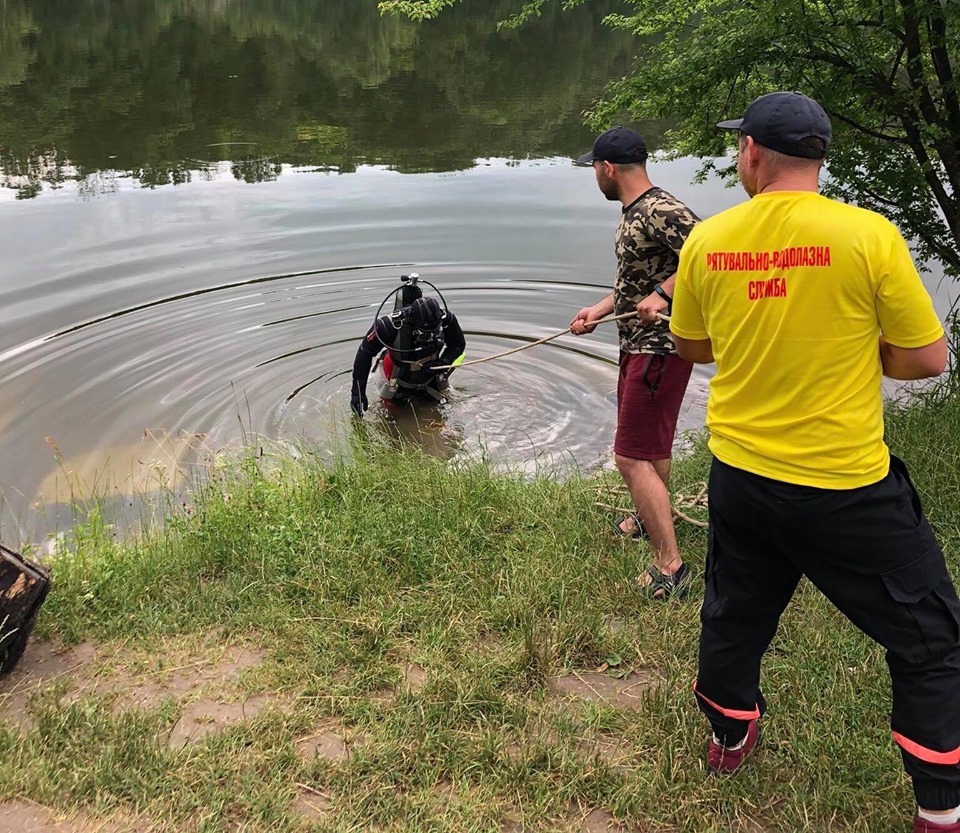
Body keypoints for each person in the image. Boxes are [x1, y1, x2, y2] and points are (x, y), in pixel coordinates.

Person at [669, 91, 958, 831]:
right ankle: (939, 808)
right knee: (931, 637)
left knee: (734, 611)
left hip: (740, 475)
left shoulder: (710, 239)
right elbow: (928, 358)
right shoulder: (868, 235)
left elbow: (691, 345)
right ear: (820, 158)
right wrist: (865, 349)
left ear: (754, 154)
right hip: (844, 486)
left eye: (740, 147)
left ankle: (730, 737)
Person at [571, 126, 699, 600]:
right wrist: (598, 312)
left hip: (659, 350)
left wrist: (665, 295)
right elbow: (636, 282)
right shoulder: (635, 212)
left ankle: (671, 567)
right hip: (638, 345)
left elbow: (710, 257)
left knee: (629, 457)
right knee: (653, 449)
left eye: (594, 170)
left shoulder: (660, 209)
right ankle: (647, 521)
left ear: (608, 169)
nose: (595, 178)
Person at [350, 281, 466, 417]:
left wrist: (443, 363)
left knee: (438, 415)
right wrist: (358, 393)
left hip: (430, 375)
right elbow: (365, 353)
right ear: (413, 322)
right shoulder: (388, 326)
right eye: (424, 332)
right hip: (397, 376)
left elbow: (458, 345)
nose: (429, 336)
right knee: (393, 419)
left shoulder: (446, 318)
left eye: (434, 332)